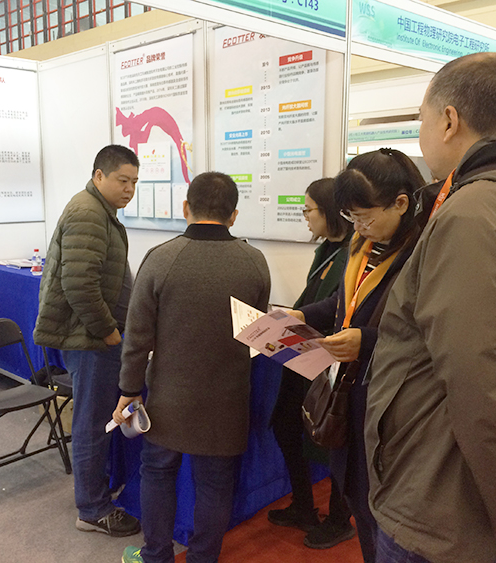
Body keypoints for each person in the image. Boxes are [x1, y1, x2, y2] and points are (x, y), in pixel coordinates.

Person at [364, 52, 496, 563]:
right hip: (489, 488)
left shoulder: (476, 213)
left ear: (449, 120)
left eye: (422, 119)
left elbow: (485, 379)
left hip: (443, 503)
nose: (421, 135)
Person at [112, 172, 271, 563]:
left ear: (186, 208)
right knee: (215, 485)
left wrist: (129, 390)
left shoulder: (161, 258)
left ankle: (156, 555)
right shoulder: (254, 262)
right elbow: (257, 332)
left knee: (157, 473)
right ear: (234, 215)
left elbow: (137, 337)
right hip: (227, 398)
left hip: (169, 399)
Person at [291, 149, 425, 562]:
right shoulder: (362, 245)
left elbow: (428, 333)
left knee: (381, 507)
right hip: (348, 393)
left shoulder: (424, 251)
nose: (359, 227)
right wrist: (303, 315)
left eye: (365, 217)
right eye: (351, 217)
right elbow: (341, 302)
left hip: (388, 400)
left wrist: (365, 341)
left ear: (400, 203)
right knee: (354, 493)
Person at [34, 144, 141, 537]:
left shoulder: (101, 211)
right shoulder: (88, 213)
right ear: (99, 176)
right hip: (91, 339)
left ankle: (95, 490)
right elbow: (79, 285)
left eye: (134, 182)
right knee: (92, 424)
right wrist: (109, 331)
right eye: (122, 180)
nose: (129, 189)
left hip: (95, 337)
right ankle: (93, 509)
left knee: (96, 421)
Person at [267, 178, 356, 549]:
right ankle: (303, 504)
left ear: (329, 211)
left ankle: (339, 519)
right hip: (303, 355)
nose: (304, 216)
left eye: (309, 210)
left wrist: (296, 317)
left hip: (331, 360)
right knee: (285, 425)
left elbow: (340, 307)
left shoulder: (354, 251)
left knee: (333, 437)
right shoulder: (327, 250)